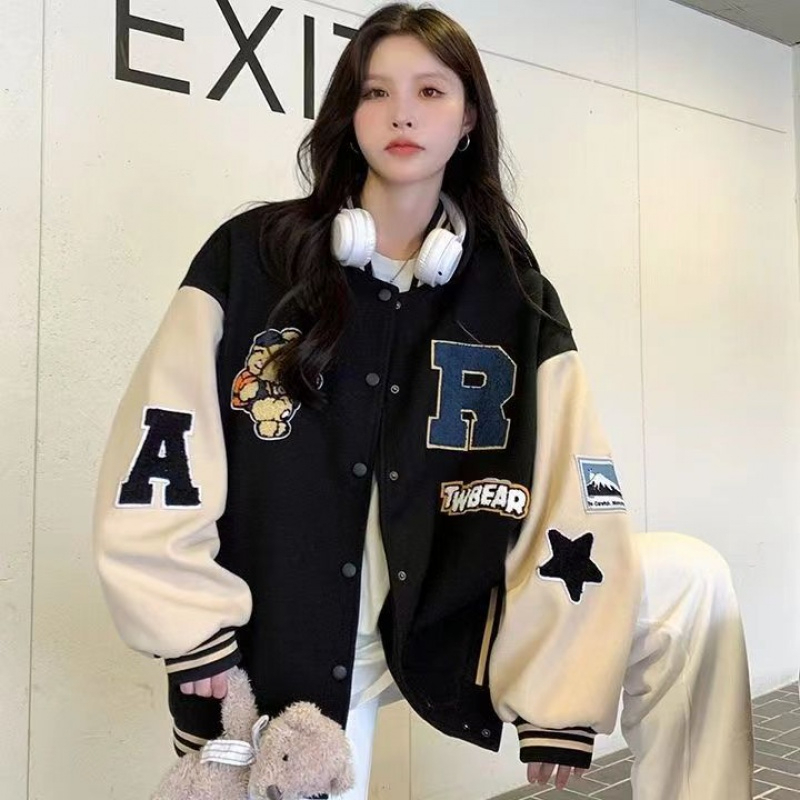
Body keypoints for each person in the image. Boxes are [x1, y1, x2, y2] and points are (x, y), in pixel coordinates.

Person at [92, 3, 754, 798]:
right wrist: (187, 618)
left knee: (692, 584)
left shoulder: (511, 292)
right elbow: (164, 436)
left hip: (462, 612)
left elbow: (574, 479)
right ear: (351, 114)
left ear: (468, 117)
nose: (402, 113)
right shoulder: (254, 257)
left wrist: (564, 687)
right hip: (302, 644)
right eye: (376, 92)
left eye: (431, 91)